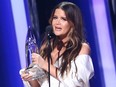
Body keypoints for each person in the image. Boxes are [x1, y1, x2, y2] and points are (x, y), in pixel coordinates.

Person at [20, 1, 94, 87]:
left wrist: (45, 65)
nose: (57, 22)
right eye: (55, 18)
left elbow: (76, 82)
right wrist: (30, 78)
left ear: (73, 23)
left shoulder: (81, 48)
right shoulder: (47, 46)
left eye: (63, 19)